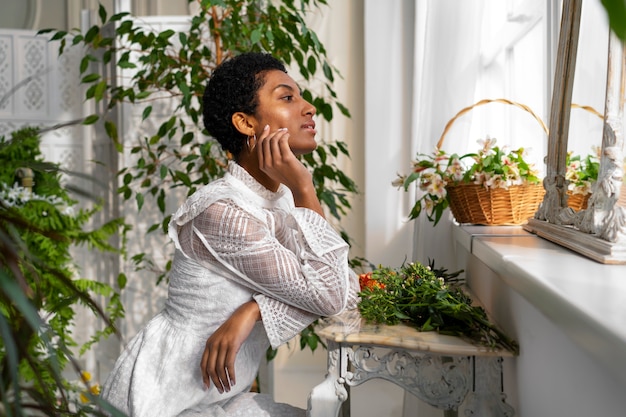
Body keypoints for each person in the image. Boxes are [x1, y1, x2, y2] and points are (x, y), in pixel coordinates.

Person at [100, 52, 360, 416]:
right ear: (245, 123)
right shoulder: (222, 212)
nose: (309, 107)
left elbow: (343, 289)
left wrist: (254, 310)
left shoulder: (277, 200)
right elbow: (329, 296)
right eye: (288, 97)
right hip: (166, 399)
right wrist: (305, 186)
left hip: (220, 397)